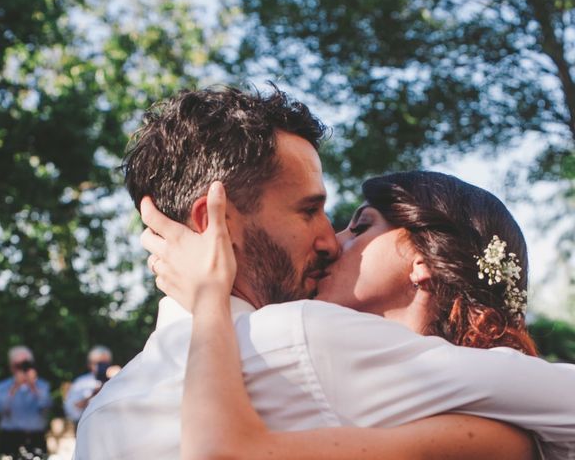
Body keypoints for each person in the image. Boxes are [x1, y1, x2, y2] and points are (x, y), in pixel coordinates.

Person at [74, 86, 575, 459]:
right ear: (217, 224)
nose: (328, 240)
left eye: (355, 225)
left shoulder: (100, 417)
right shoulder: (299, 335)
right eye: (308, 210)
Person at [144, 174, 559, 459]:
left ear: (422, 260)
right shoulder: (340, 362)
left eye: (360, 228)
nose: (332, 243)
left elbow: (222, 453)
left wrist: (210, 294)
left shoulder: (492, 434)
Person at [0, 346, 52, 458]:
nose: (22, 369)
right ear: (11, 367)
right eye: (18, 366)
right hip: (10, 438)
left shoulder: (42, 386)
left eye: (25, 364)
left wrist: (33, 386)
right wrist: (14, 388)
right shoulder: (2, 387)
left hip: (35, 437)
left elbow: (46, 406)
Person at [64, 346, 113, 424]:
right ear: (90, 364)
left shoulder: (116, 379)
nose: (103, 367)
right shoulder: (81, 383)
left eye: (106, 363)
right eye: (99, 363)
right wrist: (94, 393)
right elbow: (71, 410)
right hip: (88, 426)